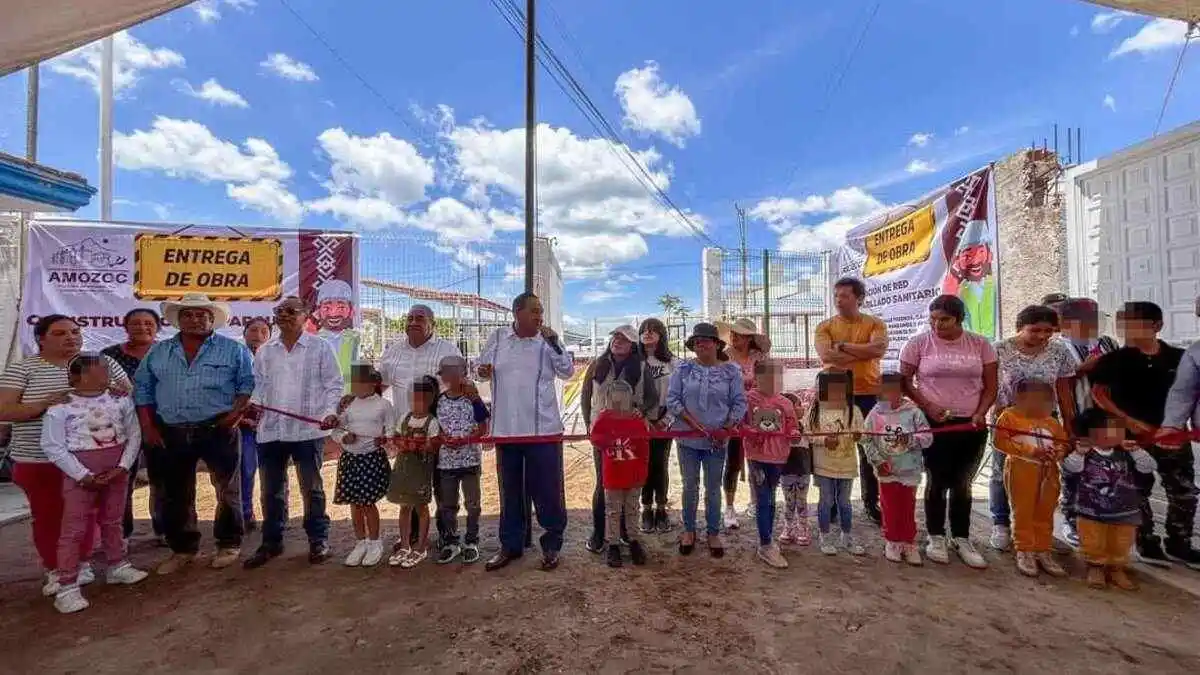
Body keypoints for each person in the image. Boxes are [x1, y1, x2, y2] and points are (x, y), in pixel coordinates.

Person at [0, 315, 130, 596]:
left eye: (74, 331)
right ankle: (56, 570)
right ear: (41, 339)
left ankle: (81, 561)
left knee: (93, 514)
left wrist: (119, 391)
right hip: (39, 459)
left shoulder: (102, 363)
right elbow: (4, 410)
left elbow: (126, 394)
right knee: (50, 516)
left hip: (94, 457)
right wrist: (46, 403)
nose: (71, 337)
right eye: (60, 333)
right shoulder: (23, 369)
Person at [133, 294, 254, 575]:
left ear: (212, 319)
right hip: (170, 431)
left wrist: (235, 414)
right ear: (178, 319)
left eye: (202, 315)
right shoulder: (159, 352)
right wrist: (148, 426)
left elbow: (247, 384)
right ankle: (183, 549)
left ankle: (228, 543)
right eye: (188, 314)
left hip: (219, 429)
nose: (195, 319)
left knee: (227, 489)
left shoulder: (233, 350)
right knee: (175, 493)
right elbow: (143, 389)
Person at [1090, 301, 1198, 566]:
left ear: (1157, 326)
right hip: (1131, 438)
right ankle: (1145, 541)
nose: (1125, 329)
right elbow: (1099, 395)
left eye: (1133, 323)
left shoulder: (1180, 357)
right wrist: (1131, 422)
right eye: (1122, 324)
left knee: (1183, 491)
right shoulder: (1111, 360)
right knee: (1136, 490)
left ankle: (1179, 542)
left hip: (1172, 437)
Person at [40, 354, 149, 613]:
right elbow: (52, 445)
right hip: (80, 472)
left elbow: (133, 434)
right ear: (79, 376)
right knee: (74, 527)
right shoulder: (60, 407)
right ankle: (67, 585)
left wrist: (122, 467)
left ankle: (117, 565)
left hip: (117, 469)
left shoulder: (120, 400)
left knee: (113, 520)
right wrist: (81, 474)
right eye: (99, 370)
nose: (106, 374)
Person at [474, 292, 574, 572]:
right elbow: (481, 370)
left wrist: (555, 342)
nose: (539, 316)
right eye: (534, 310)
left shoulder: (547, 341)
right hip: (507, 430)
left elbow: (567, 372)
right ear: (517, 312)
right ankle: (511, 545)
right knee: (510, 491)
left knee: (548, 491)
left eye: (541, 311)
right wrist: (482, 371)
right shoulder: (498, 338)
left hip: (542, 431)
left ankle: (552, 545)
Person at [242, 296, 343, 569]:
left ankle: (318, 540)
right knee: (271, 490)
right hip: (271, 430)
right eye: (279, 311)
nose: (284, 315)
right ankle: (272, 542)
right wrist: (253, 406)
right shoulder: (266, 351)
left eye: (291, 311)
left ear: (306, 315)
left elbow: (334, 385)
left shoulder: (320, 347)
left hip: (307, 430)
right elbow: (260, 387)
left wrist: (328, 414)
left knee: (312, 489)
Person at [899, 294, 996, 569]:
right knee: (937, 480)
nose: (937, 325)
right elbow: (905, 381)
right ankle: (935, 536)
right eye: (932, 319)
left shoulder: (980, 344)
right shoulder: (918, 342)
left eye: (944, 320)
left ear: (959, 319)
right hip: (933, 423)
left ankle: (962, 538)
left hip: (971, 424)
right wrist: (928, 406)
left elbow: (991, 386)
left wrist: (980, 413)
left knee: (963, 482)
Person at [988, 305, 1076, 552]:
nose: (1042, 336)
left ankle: (1039, 530)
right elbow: (991, 386)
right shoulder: (999, 349)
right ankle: (1002, 523)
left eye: (1048, 331)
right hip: (1009, 419)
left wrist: (1068, 424)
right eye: (1035, 330)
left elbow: (1064, 389)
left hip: (1045, 421)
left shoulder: (1059, 351)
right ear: (1020, 327)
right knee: (1003, 471)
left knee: (1043, 474)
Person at [377, 304, 462, 549]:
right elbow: (378, 387)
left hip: (439, 434)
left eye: (420, 318)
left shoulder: (447, 351)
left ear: (432, 324)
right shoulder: (393, 352)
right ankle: (412, 534)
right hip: (408, 435)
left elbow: (459, 387)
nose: (413, 322)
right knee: (411, 486)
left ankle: (448, 536)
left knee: (443, 486)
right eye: (410, 317)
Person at [666, 323, 746, 558]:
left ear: (716, 344)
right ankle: (689, 530)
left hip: (717, 442)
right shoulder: (682, 370)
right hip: (687, 439)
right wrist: (691, 422)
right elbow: (672, 399)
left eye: (706, 340)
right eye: (697, 340)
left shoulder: (731, 372)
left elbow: (740, 402)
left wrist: (727, 428)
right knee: (689, 485)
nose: (701, 343)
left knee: (713, 488)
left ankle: (713, 532)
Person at [815, 276, 888, 525]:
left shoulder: (875, 323)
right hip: (834, 389)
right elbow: (827, 357)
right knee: (833, 446)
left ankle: (871, 502)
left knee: (868, 448)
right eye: (836, 295)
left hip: (868, 391)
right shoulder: (825, 326)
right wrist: (861, 351)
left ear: (859, 298)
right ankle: (832, 502)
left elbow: (878, 350)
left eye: (845, 295)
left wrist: (844, 346)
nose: (839, 300)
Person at [581, 325, 659, 553]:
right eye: (616, 337)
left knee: (629, 483)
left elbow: (652, 397)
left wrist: (642, 410)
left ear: (633, 346)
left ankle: (626, 532)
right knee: (603, 483)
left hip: (631, 436)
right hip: (604, 434)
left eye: (624, 339)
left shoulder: (642, 368)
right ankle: (599, 533)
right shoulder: (597, 365)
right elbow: (586, 397)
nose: (618, 341)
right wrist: (589, 423)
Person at [1066, 408, 1156, 590]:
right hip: (1091, 510)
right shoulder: (1086, 453)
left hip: (1124, 510)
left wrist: (1137, 451)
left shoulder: (1126, 453)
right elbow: (1071, 469)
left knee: (1122, 541)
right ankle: (1096, 567)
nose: (1115, 433)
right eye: (1108, 429)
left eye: (1117, 428)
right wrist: (1079, 453)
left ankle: (1116, 568)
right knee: (1093, 540)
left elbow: (1148, 467)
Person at [1055, 298, 1119, 547]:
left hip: (1106, 417)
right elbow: (1058, 382)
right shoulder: (1058, 346)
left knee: (1107, 470)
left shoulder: (1107, 343)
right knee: (1075, 471)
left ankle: (1105, 521)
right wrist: (1083, 368)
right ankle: (1072, 521)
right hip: (1075, 414)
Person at [993, 379, 1070, 578]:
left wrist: (1058, 452)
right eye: (1034, 399)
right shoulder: (1009, 417)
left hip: (1048, 473)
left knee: (1045, 511)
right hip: (1021, 469)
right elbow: (1000, 442)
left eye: (1045, 400)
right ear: (1019, 399)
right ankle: (1024, 549)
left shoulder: (1052, 422)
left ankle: (1042, 549)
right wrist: (1031, 451)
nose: (1041, 405)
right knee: (1023, 510)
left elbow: (1063, 443)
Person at [101, 307, 165, 542]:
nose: (142, 327)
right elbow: (98, 387)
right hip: (121, 426)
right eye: (135, 323)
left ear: (158, 327)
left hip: (161, 425)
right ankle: (122, 534)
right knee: (122, 480)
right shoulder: (108, 356)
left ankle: (164, 529)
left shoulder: (167, 353)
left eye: (148, 323)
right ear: (125, 326)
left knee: (163, 480)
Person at [862, 373, 932, 565]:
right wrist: (877, 461)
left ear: (901, 390)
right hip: (886, 471)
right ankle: (892, 541)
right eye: (885, 390)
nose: (889, 394)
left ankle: (909, 543)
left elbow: (927, 438)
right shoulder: (875, 414)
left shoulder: (914, 412)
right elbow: (866, 439)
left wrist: (910, 440)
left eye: (894, 389)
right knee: (889, 507)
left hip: (909, 471)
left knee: (907, 508)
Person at [332, 364, 394, 568]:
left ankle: (375, 542)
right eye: (354, 382)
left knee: (368, 503)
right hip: (350, 459)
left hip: (371, 458)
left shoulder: (384, 405)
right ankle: (360, 542)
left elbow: (392, 431)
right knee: (355, 504)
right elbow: (336, 430)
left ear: (373, 383)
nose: (356, 386)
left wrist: (384, 439)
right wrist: (344, 437)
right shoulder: (349, 404)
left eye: (361, 382)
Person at [433, 355, 490, 565]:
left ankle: (471, 541)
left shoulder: (473, 400)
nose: (447, 377)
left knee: (473, 504)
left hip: (470, 460)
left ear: (461, 374)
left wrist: (467, 439)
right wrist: (443, 438)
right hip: (446, 462)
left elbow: (484, 427)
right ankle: (451, 542)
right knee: (448, 504)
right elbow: (434, 427)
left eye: (450, 373)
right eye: (444, 373)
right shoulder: (439, 401)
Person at [743, 359, 798, 568]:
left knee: (771, 497)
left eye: (777, 377)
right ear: (757, 379)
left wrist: (794, 433)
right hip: (756, 457)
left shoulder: (785, 403)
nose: (773, 381)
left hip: (778, 457)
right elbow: (740, 422)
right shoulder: (749, 399)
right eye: (767, 377)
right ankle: (766, 543)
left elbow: (793, 427)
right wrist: (749, 431)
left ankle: (767, 539)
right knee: (763, 498)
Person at [590, 380, 650, 568]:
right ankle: (613, 544)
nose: (619, 399)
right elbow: (596, 440)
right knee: (613, 511)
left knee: (632, 509)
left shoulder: (636, 420)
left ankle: (633, 540)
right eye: (615, 395)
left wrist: (642, 472)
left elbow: (644, 448)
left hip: (633, 473)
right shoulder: (604, 419)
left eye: (623, 395)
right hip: (613, 474)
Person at [715, 318, 769, 529]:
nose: (734, 336)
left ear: (749, 338)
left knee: (758, 459)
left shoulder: (760, 357)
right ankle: (729, 507)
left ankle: (756, 502)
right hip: (733, 415)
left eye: (739, 334)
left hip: (757, 413)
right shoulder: (724, 358)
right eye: (733, 333)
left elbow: (768, 382)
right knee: (734, 461)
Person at [807, 370, 866, 556]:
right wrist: (823, 440)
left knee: (844, 502)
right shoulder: (815, 410)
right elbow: (807, 434)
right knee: (825, 501)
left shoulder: (853, 411)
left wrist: (859, 436)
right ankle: (824, 536)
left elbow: (863, 436)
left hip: (847, 467)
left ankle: (846, 537)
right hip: (823, 467)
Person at [387, 376, 441, 569]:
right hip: (403, 468)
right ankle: (404, 545)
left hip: (420, 471)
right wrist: (402, 443)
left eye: (422, 399)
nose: (417, 404)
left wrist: (419, 446)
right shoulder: (404, 418)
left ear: (430, 401)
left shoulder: (432, 422)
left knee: (421, 508)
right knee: (404, 506)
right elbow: (395, 437)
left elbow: (433, 446)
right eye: (414, 399)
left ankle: (420, 548)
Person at [637, 318, 678, 533]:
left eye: (653, 330)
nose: (648, 333)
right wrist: (641, 419)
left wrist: (667, 419)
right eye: (644, 330)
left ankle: (661, 508)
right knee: (643, 464)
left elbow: (679, 395)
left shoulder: (672, 362)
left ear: (661, 335)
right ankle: (646, 509)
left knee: (660, 464)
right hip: (641, 420)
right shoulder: (635, 361)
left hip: (663, 420)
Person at [238, 317, 272, 532]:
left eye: (263, 331)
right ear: (245, 333)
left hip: (272, 426)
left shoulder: (276, 359)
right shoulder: (236, 358)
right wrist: (243, 419)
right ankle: (245, 513)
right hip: (244, 427)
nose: (258, 334)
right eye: (253, 330)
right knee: (246, 470)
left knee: (273, 474)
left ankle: (276, 515)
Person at [777, 392, 813, 547]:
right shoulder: (781, 429)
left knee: (802, 500)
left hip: (803, 470)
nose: (802, 408)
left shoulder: (806, 426)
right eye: (798, 405)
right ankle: (788, 526)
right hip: (787, 470)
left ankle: (803, 527)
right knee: (789, 501)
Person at [311, 279, 361, 385]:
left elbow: (355, 370)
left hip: (347, 397)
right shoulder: (312, 340)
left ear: (351, 311)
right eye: (327, 307)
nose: (333, 314)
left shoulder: (353, 338)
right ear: (318, 311)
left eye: (341, 307)